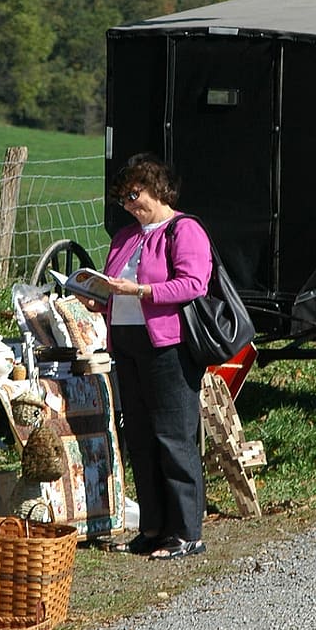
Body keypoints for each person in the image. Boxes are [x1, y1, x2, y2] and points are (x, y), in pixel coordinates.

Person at [94, 153, 212, 560]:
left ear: (157, 189)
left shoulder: (185, 230)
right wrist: (99, 298)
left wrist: (141, 293)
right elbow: (116, 285)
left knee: (173, 437)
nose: (129, 204)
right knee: (141, 439)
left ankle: (186, 532)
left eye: (134, 194)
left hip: (167, 346)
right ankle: (153, 527)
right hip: (126, 344)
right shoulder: (125, 236)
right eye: (123, 199)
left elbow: (194, 283)